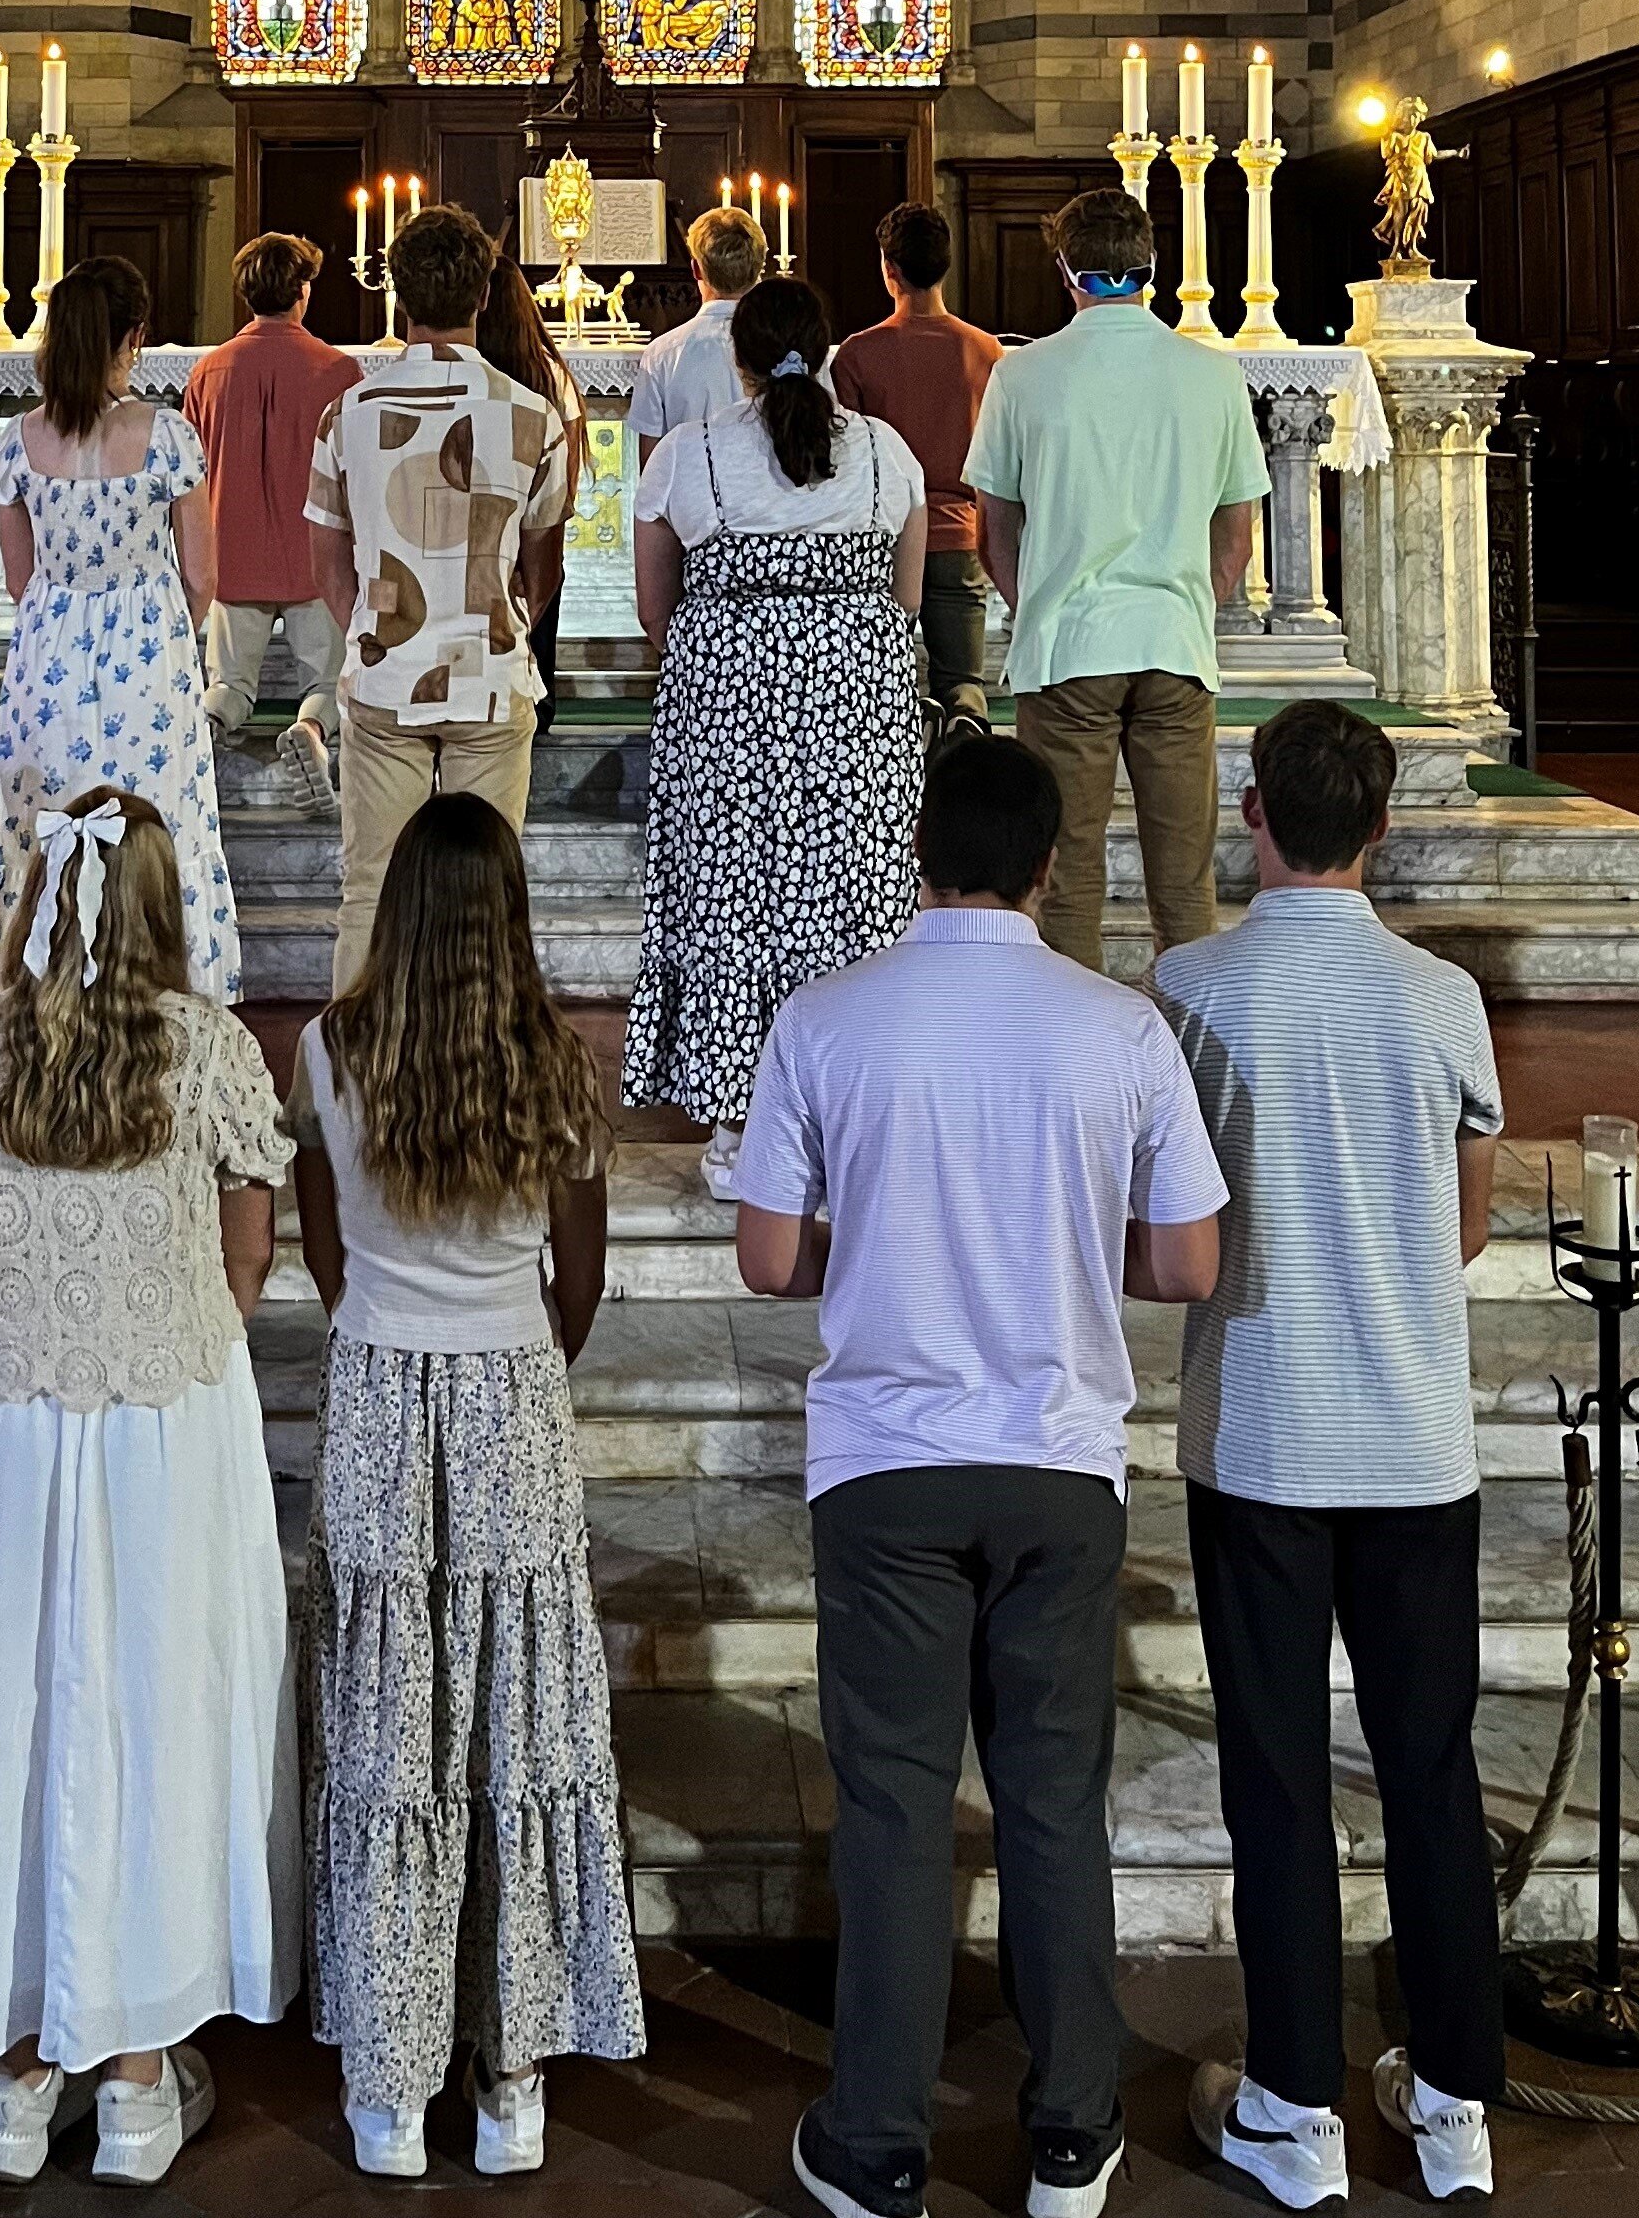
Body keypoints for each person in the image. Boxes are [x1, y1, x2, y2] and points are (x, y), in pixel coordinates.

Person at [733, 732, 1227, 2218]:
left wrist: (872, 1242)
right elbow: (1193, 1258)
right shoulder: (1119, 1028)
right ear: (1051, 866)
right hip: (1059, 1458)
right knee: (1051, 1797)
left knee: (892, 1803)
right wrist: (1079, 1250)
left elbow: (766, 1259)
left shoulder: (830, 1018)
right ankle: (1072, 2133)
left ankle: (875, 2144)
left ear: (916, 850)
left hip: (885, 1464)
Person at [0, 787, 299, 2185]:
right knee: (155, 1709)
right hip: (171, 1423)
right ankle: (134, 2074)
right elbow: (249, 1260)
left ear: (35, 901)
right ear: (162, 908)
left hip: (15, 1426)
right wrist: (162, 1326)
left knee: (17, 1711)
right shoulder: (212, 1052)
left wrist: (27, 1330)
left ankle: (17, 2074)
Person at [1155, 702, 1507, 2210]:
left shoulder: (1190, 986)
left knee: (1278, 1777)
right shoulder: (1442, 1000)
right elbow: (1472, 1217)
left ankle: (1295, 2108)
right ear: (1380, 827)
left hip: (1264, 1430)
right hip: (1416, 1436)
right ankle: (1453, 2110)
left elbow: (1169, 1220)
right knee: (1432, 1771)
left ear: (1249, 813)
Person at [289, 795, 646, 2178]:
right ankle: (512, 2082)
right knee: (516, 1731)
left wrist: (389, 1322)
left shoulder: (327, 1050)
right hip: (513, 1396)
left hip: (382, 1386)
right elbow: (585, 1277)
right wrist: (507, 1351)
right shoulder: (558, 1066)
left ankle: (388, 2089)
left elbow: (321, 1252)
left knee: (393, 1736)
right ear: (510, 913)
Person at [625, 277, 928, 1197]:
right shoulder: (885, 451)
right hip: (858, 711)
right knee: (854, 910)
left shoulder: (691, 453)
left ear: (737, 361)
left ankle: (737, 1137)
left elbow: (653, 610)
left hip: (725, 712)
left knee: (730, 912)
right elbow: (907, 601)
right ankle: (846, 1136)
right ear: (830, 354)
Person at [963, 183, 1266, 968]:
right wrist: (1194, 604)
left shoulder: (1023, 374)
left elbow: (993, 525)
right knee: (1184, 882)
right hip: (1173, 643)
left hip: (1067, 648)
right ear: (1152, 267)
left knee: (1065, 879)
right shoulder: (1211, 374)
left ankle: (1075, 1065)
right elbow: (1237, 524)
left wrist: (1039, 607)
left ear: (1064, 271)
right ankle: (1189, 1064)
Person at [306, 202, 571, 992]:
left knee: (371, 891)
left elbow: (326, 554)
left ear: (398, 296)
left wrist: (375, 629)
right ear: (484, 295)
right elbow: (545, 562)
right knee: (486, 898)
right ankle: (480, 1079)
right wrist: (506, 620)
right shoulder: (533, 415)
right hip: (489, 677)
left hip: (387, 675)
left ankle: (352, 1086)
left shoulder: (349, 412)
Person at [0, 256, 236, 1008]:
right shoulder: (167, 437)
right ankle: (162, 988)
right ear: (133, 338)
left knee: (46, 818)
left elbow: (20, 580)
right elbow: (204, 573)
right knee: (154, 819)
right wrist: (169, 635)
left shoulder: (18, 442)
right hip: (147, 646)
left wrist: (67, 617)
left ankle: (40, 984)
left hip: (49, 649)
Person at [184, 230, 359, 803]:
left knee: (229, 684)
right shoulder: (336, 370)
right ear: (303, 292)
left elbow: (194, 468)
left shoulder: (209, 371)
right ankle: (311, 731)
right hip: (314, 557)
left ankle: (206, 729)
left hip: (232, 551)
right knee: (328, 684)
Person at [833, 201, 1003, 731]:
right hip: (959, 537)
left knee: (885, 690)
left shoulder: (857, 356)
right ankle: (967, 768)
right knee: (964, 685)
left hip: (881, 542)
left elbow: (848, 460)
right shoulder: (985, 351)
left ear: (890, 269)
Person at [475, 242, 587, 716]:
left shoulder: (469, 371)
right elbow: (568, 481)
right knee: (533, 649)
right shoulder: (548, 373)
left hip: (480, 536)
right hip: (533, 540)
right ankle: (537, 707)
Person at [626, 198, 770, 469]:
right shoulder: (789, 342)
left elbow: (651, 463)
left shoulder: (663, 353)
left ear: (695, 268)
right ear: (760, 266)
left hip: (691, 504)